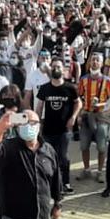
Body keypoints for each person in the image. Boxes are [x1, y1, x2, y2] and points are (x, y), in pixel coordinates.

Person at [35, 59, 81, 193]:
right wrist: (37, 123)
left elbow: (78, 103)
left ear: (64, 69)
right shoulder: (45, 88)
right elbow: (39, 106)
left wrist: (73, 117)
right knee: (48, 157)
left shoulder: (70, 88)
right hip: (48, 129)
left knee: (63, 157)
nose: (56, 69)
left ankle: (65, 182)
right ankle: (50, 182)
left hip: (64, 130)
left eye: (58, 67)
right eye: (53, 66)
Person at [77, 52, 110, 182]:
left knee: (102, 146)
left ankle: (99, 171)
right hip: (87, 115)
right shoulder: (83, 80)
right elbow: (78, 98)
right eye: (92, 60)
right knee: (84, 145)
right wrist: (79, 114)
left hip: (101, 117)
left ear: (102, 63)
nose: (94, 62)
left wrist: (101, 104)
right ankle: (86, 170)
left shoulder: (107, 81)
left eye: (97, 60)